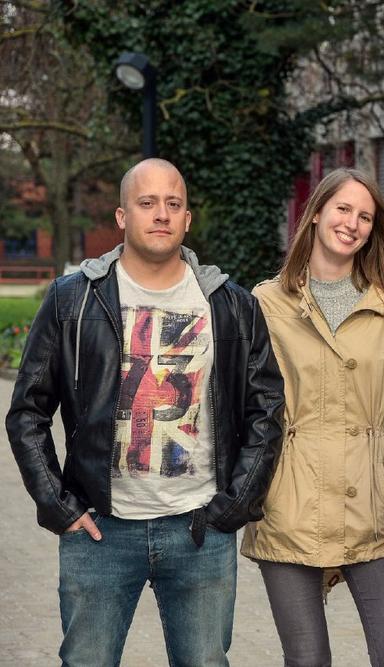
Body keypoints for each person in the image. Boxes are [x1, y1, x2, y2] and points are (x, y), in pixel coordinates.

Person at [5, 157, 284, 666]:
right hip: (101, 531)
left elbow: (266, 411)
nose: (161, 214)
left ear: (187, 219)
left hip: (199, 531)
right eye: (147, 202)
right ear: (121, 216)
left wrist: (233, 507)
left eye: (173, 204)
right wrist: (59, 506)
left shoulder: (231, 305)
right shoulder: (73, 300)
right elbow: (27, 412)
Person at [240, 168, 384, 666]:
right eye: (343, 209)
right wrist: (261, 486)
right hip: (290, 504)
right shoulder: (267, 302)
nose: (353, 223)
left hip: (370, 504)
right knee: (307, 660)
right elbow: (246, 405)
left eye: (365, 216)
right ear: (317, 213)